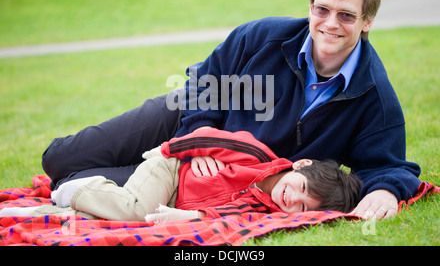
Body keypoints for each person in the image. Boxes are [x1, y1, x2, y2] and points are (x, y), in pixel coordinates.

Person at [41, 0, 421, 220]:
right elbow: (203, 82)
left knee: (76, 183)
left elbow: (388, 165)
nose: (330, 24)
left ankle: (71, 187)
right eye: (322, 10)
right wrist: (196, 136)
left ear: (367, 22)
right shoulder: (262, 37)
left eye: (346, 15)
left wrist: (386, 190)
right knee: (57, 160)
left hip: (222, 175)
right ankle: (70, 177)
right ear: (310, 7)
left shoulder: (372, 94)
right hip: (185, 119)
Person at [0, 128, 362, 221]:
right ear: (300, 166)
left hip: (174, 199)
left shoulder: (264, 210)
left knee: (103, 221)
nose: (291, 199)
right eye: (299, 189)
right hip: (172, 169)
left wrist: (190, 216)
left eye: (301, 208)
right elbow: (208, 139)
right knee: (136, 210)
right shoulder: (257, 156)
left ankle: (32, 213)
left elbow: (227, 218)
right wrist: (167, 151)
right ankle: (76, 189)